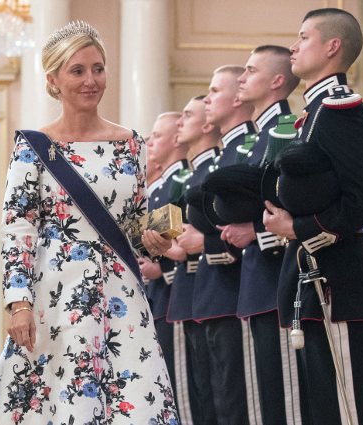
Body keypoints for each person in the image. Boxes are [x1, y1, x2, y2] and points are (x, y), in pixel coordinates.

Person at [0, 21, 178, 425]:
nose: (91, 80)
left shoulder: (132, 144)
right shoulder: (33, 148)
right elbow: (18, 229)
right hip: (57, 293)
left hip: (121, 293)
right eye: (78, 70)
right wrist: (19, 305)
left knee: (135, 401)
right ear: (53, 80)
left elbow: (134, 221)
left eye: (98, 68)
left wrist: (152, 239)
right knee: (62, 398)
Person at [263, 8, 363, 424]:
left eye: (303, 37)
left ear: (332, 47)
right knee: (324, 409)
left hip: (343, 284)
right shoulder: (313, 114)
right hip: (315, 282)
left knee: (351, 411)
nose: (293, 46)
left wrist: (298, 228)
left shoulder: (339, 109)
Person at [228, 45, 302, 424]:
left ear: (276, 81)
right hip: (257, 281)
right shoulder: (259, 137)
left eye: (251, 71)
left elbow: (293, 206)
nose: (242, 78)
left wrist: (256, 233)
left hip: (278, 280)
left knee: (284, 400)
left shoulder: (285, 129)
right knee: (264, 399)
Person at [189, 66, 255, 425]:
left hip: (239, 288)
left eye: (215, 91)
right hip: (213, 292)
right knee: (211, 401)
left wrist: (203, 242)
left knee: (240, 402)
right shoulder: (224, 156)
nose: (208, 99)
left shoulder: (250, 145)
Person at [167, 96, 219, 425]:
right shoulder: (173, 183)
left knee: (213, 395)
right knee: (199, 392)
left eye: (187, 115)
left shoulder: (187, 177)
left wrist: (164, 251)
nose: (177, 127)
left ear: (206, 125)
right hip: (188, 290)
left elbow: (178, 246)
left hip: (208, 283)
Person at [139, 112, 188, 408]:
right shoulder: (156, 192)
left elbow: (179, 244)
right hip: (158, 294)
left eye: (156, 138)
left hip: (174, 293)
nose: (150, 144)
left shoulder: (177, 183)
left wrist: (162, 266)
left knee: (181, 387)